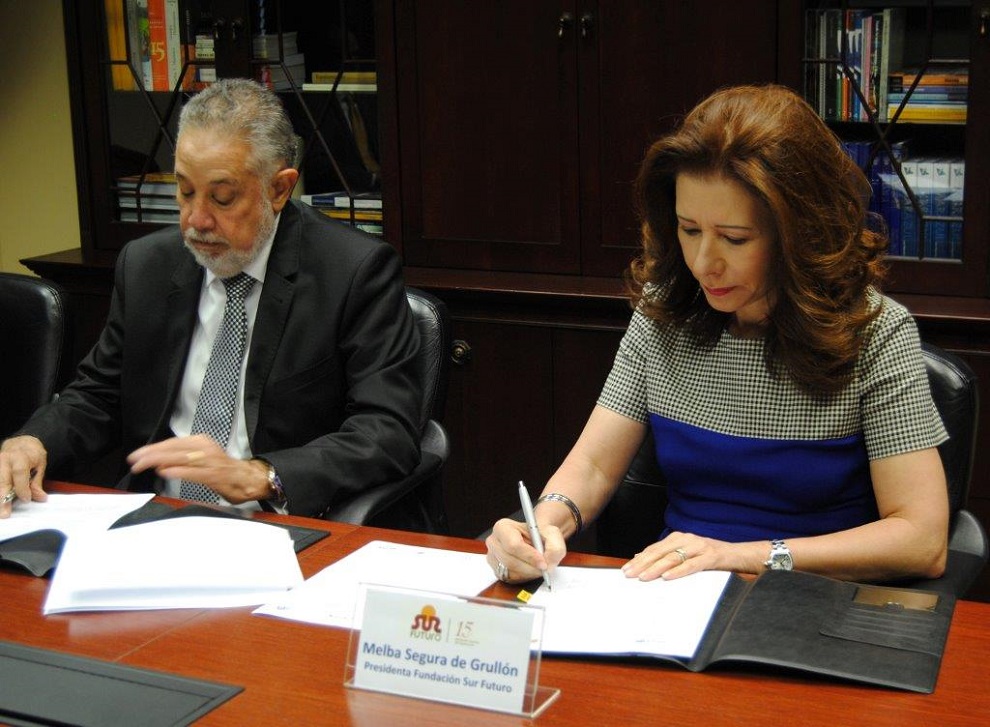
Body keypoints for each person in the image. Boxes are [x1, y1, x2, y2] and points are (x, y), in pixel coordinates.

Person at [486, 84, 949, 586]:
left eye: (734, 238)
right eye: (689, 230)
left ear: (800, 233)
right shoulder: (665, 312)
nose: (705, 262)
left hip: (817, 603)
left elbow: (920, 540)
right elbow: (594, 466)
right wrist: (543, 523)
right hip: (678, 599)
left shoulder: (876, 332)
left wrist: (744, 556)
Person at [0, 78, 422, 518]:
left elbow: (385, 430)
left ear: (279, 189)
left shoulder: (353, 271)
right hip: (157, 518)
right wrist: (34, 440)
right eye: (184, 191)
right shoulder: (147, 265)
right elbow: (99, 395)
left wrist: (264, 475)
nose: (195, 220)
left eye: (222, 197)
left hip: (281, 524)